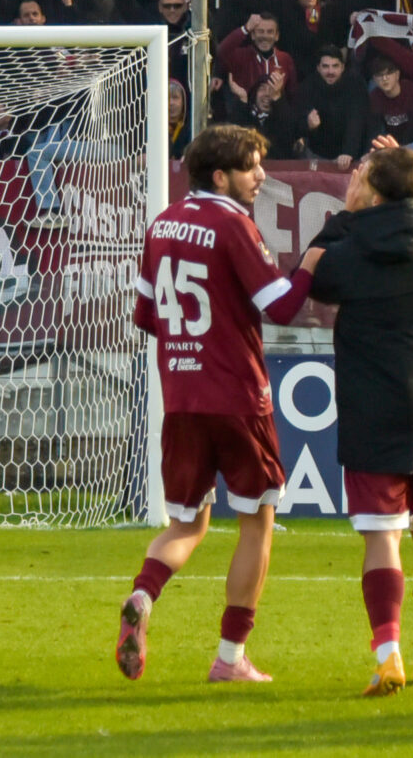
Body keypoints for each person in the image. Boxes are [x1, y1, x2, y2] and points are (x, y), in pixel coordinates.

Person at [119, 124, 324, 685]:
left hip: (181, 399)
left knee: (187, 523)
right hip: (237, 397)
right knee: (257, 522)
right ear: (220, 176)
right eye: (251, 166)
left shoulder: (162, 224)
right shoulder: (233, 225)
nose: (261, 175)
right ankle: (230, 658)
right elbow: (282, 307)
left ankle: (143, 594)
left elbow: (146, 317)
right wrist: (311, 262)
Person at [307, 144, 413, 696]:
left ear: (372, 193)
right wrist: (411, 186)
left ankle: (388, 656)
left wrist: (347, 213)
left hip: (373, 409)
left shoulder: (349, 249)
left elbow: (313, 273)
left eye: (362, 176)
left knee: (383, 538)